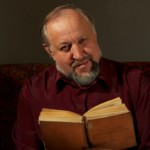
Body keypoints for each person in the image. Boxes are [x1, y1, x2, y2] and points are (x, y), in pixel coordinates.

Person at [13, 4, 150, 150]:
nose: (78, 55)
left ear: (95, 36)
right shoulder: (33, 92)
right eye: (65, 47)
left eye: (83, 40)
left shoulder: (136, 82)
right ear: (50, 52)